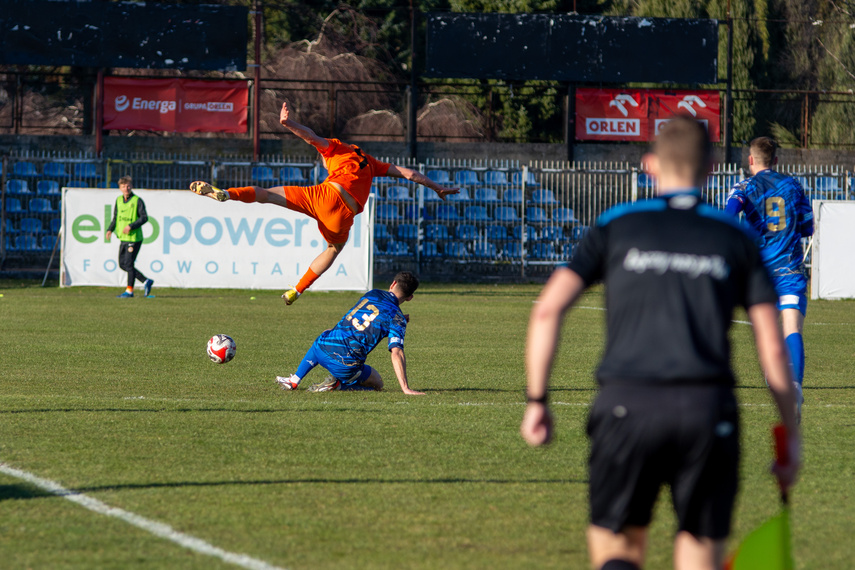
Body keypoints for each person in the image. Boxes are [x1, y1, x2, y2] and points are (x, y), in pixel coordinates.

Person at [520, 117, 801, 570]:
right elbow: (772, 347)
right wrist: (789, 438)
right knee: (698, 556)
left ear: (649, 166)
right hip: (707, 413)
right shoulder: (735, 238)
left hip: (625, 407)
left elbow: (547, 310)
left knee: (618, 553)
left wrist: (537, 401)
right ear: (710, 169)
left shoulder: (616, 223)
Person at [190, 101, 458, 305]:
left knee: (266, 194)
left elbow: (311, 137)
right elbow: (410, 174)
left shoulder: (335, 147)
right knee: (333, 249)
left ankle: (228, 193)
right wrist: (438, 187)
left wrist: (288, 124)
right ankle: (297, 290)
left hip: (323, 195)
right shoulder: (372, 162)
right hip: (343, 212)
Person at [725, 137, 814, 420]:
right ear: (776, 160)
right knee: (792, 330)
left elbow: (727, 218)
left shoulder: (743, 188)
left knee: (767, 333)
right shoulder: (794, 186)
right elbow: (808, 228)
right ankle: (795, 388)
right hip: (789, 271)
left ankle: (775, 383)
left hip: (759, 275)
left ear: (750, 160)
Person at [276, 271, 424, 395]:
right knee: (378, 383)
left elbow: (369, 315)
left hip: (321, 349)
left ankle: (294, 380)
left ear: (392, 284)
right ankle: (339, 385)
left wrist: (398, 319)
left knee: (327, 333)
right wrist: (405, 388)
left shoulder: (373, 293)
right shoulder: (397, 319)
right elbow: (396, 352)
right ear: (410, 297)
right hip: (345, 366)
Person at [105, 176, 154, 298]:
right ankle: (146, 281)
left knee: (128, 264)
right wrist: (110, 229)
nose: (126, 188)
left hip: (134, 238)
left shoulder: (137, 200)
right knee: (123, 264)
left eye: (128, 186)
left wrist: (131, 226)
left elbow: (144, 217)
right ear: (120, 188)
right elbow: (116, 217)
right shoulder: (119, 200)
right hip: (123, 238)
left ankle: (129, 291)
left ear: (131, 186)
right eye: (123, 186)